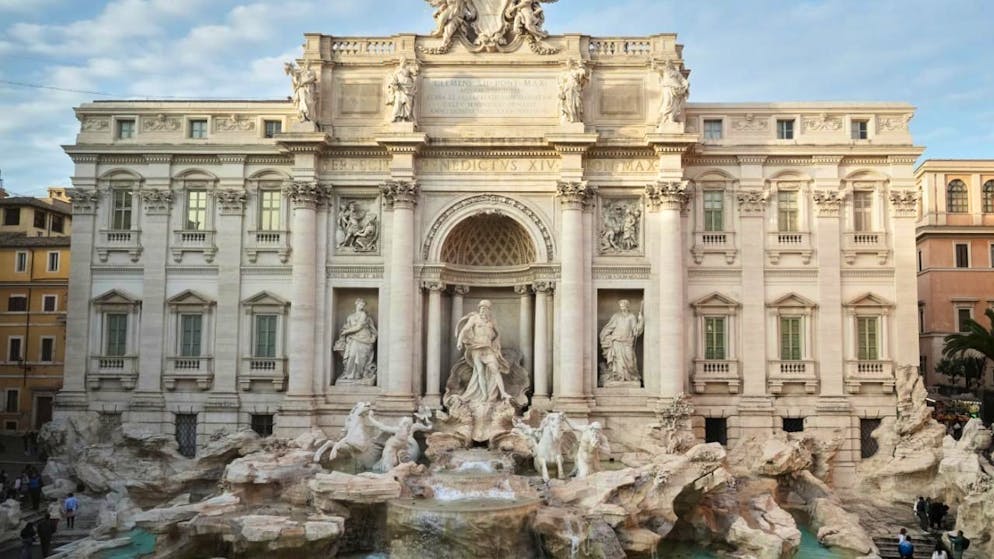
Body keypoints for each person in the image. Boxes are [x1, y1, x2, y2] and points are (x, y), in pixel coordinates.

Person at [455, 300, 512, 402]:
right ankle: (484, 395)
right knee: (480, 371)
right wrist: (459, 342)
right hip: (476, 348)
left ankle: (503, 392)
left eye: (485, 308)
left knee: (495, 369)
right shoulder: (474, 318)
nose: (482, 310)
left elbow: (497, 333)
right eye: (481, 308)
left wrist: (495, 344)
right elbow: (464, 330)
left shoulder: (492, 321)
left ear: (489, 310)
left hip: (488, 348)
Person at [598, 299, 645, 384]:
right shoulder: (616, 316)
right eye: (620, 306)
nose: (622, 307)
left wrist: (641, 320)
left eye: (623, 306)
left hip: (627, 341)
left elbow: (635, 331)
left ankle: (630, 377)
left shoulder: (631, 317)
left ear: (627, 306)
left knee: (630, 361)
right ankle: (618, 377)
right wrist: (604, 335)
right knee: (618, 361)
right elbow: (610, 327)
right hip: (617, 341)